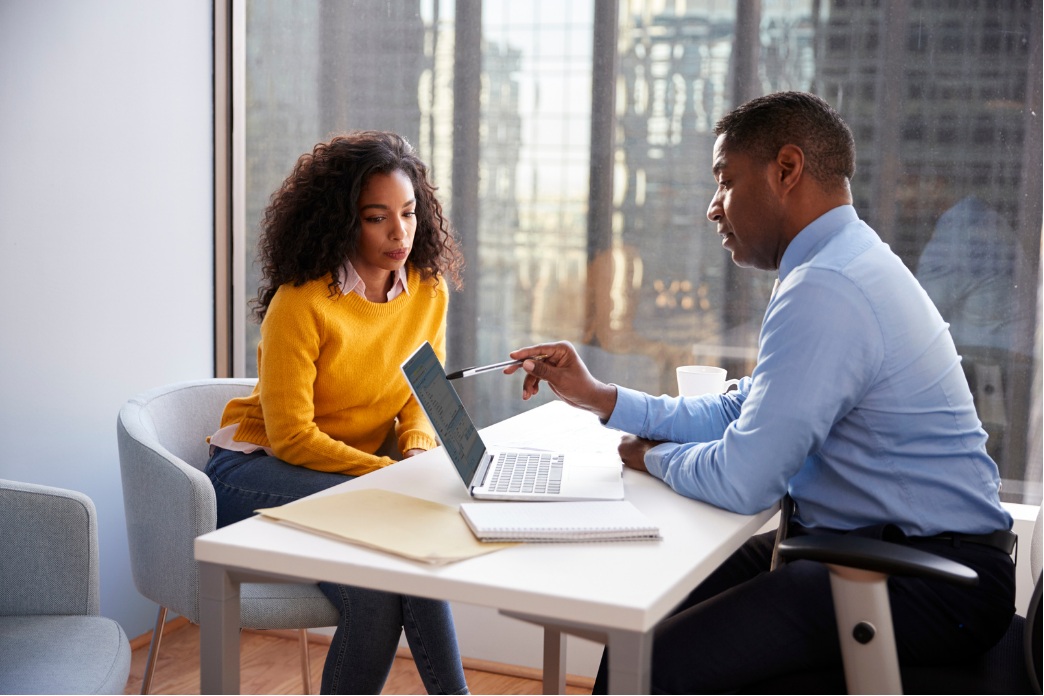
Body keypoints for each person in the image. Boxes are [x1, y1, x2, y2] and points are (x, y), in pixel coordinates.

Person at [504, 93, 1015, 693]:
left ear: (786, 170)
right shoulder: (839, 261)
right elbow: (739, 408)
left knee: (651, 668)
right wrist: (603, 399)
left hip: (926, 580)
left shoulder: (828, 286)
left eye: (724, 181)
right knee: (641, 630)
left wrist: (651, 456)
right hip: (877, 552)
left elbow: (744, 479)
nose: (712, 208)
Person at [204, 131, 469, 695]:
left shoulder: (428, 290)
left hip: (345, 474)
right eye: (377, 218)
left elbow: (419, 399)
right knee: (393, 551)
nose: (400, 232)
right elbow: (294, 437)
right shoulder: (300, 304)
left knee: (384, 587)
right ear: (342, 221)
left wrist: (418, 452)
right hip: (256, 470)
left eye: (409, 212)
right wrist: (392, 476)